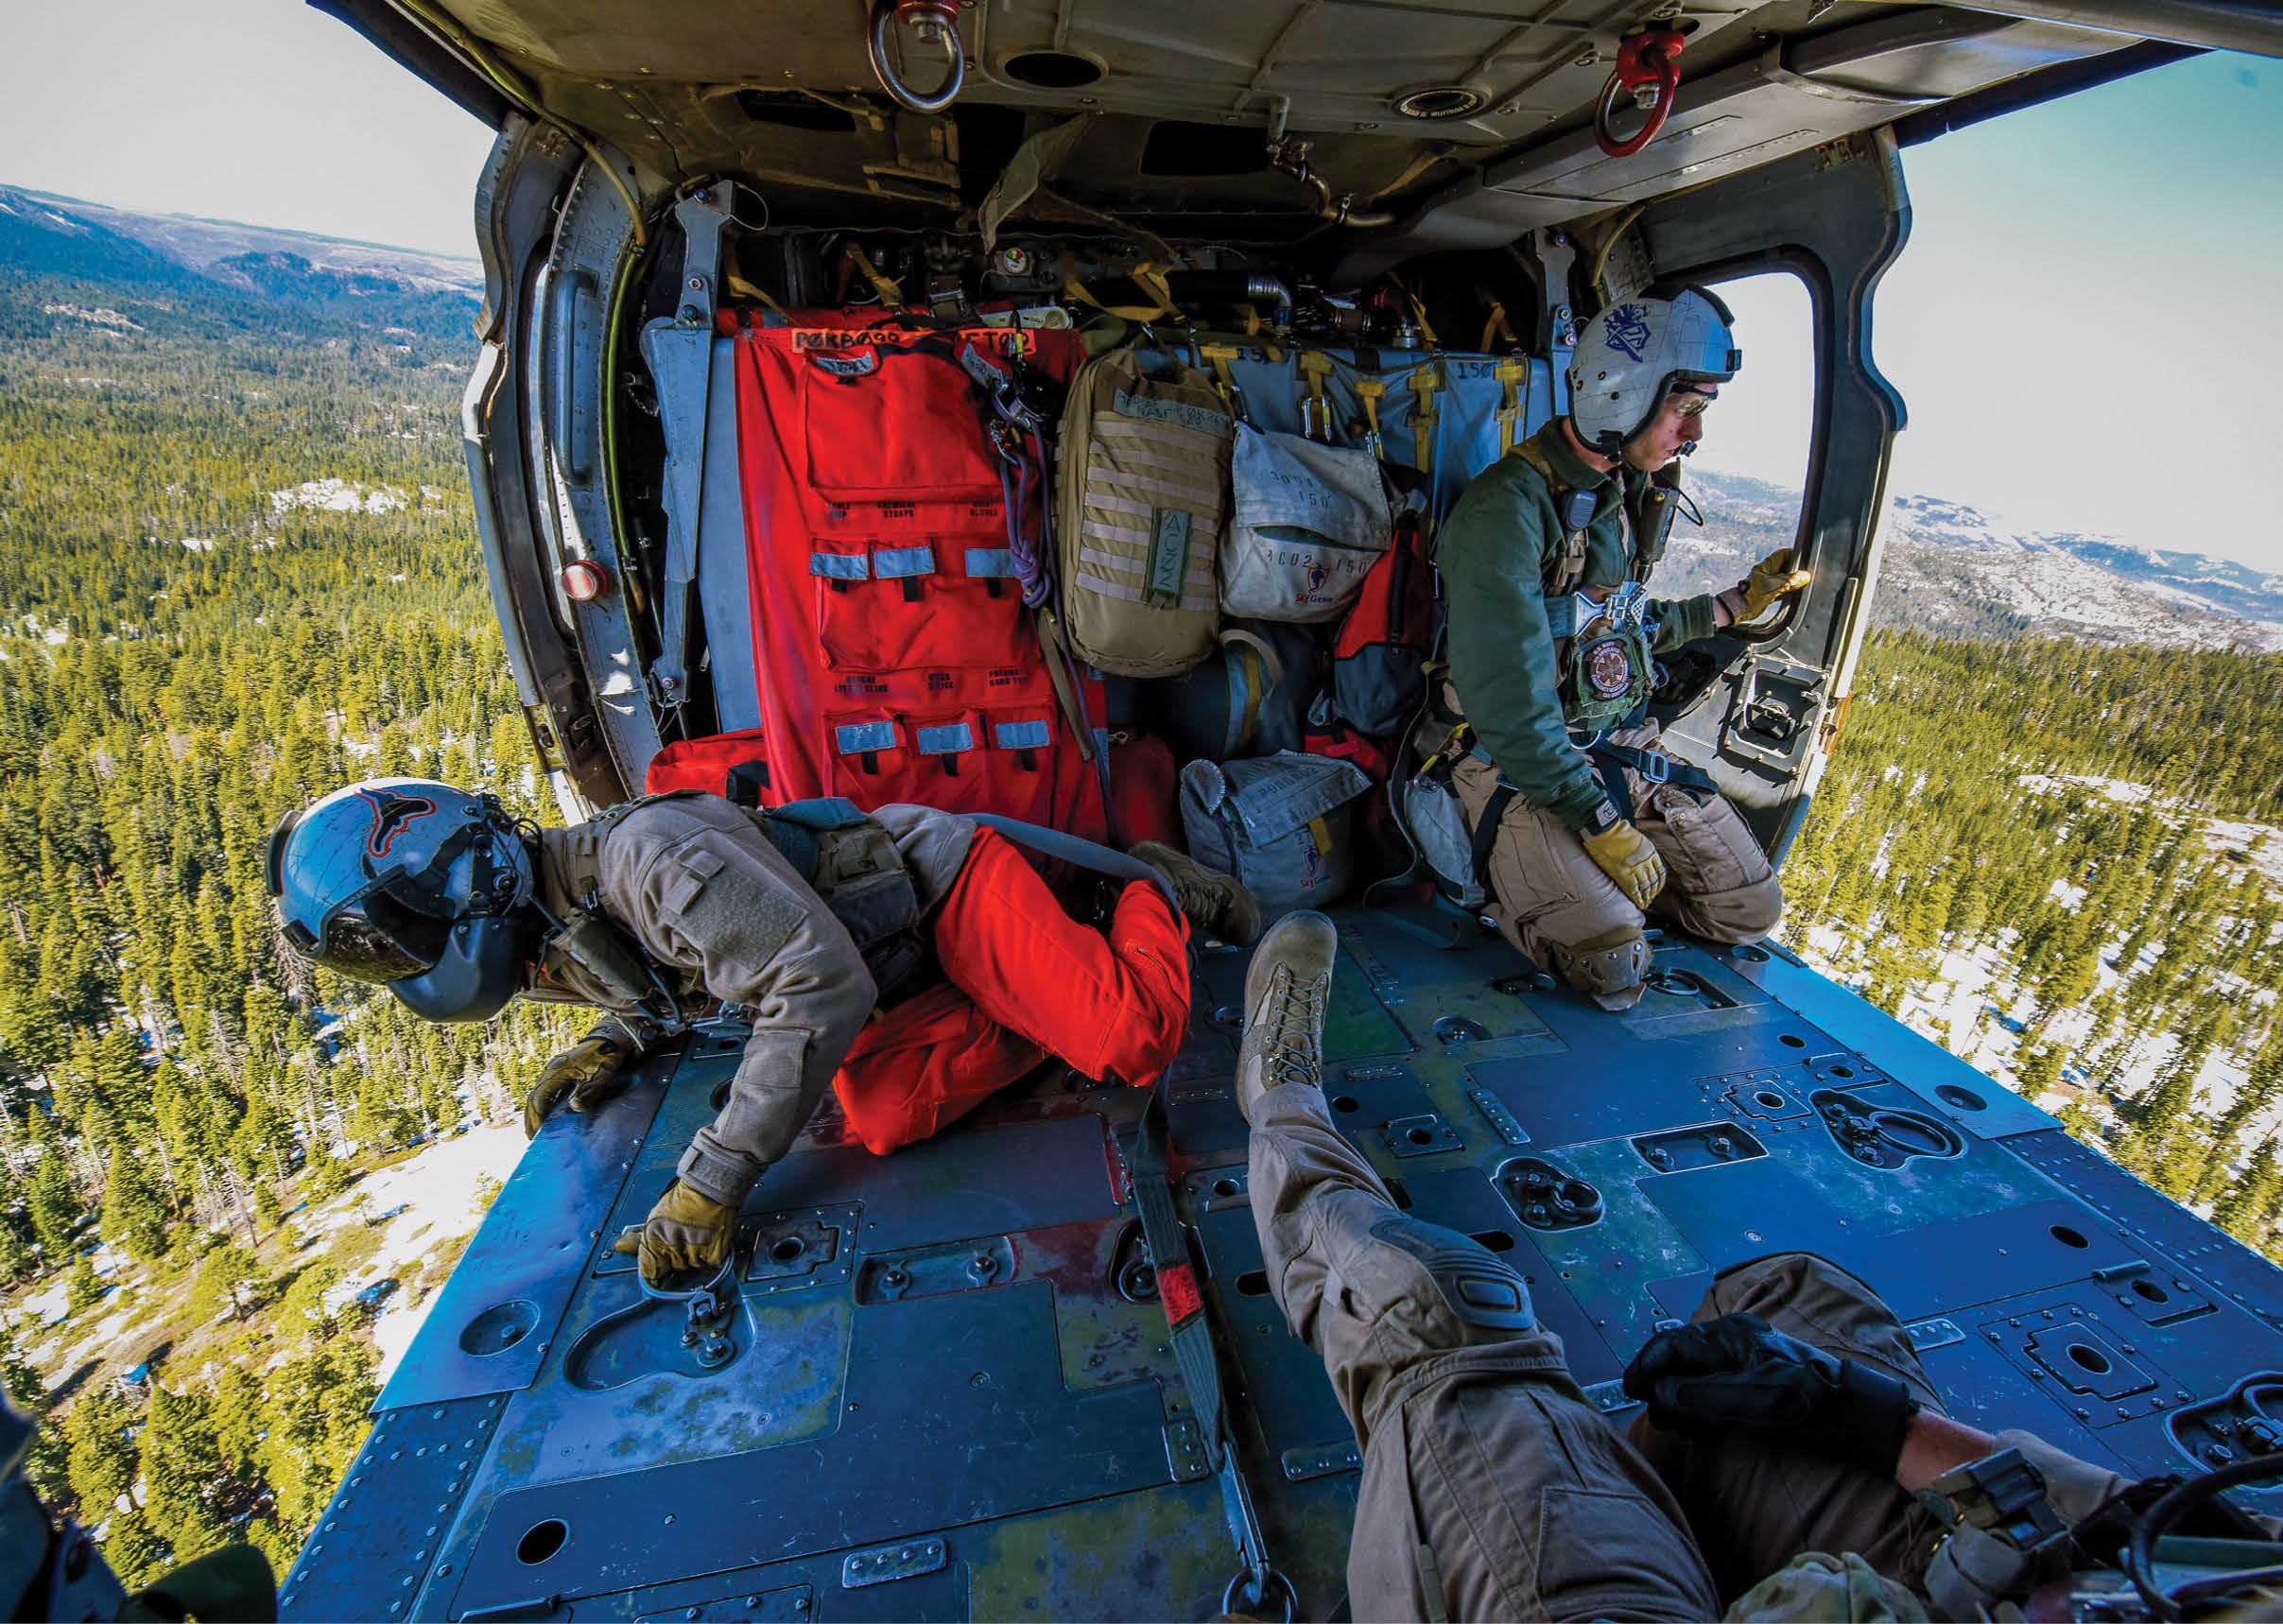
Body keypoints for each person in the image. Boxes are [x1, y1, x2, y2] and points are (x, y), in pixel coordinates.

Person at [1234, 910, 2190, 1621]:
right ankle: (1620, 1492)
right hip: (1974, 1589)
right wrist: (1848, 1407)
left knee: (1435, 1307)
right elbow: (2116, 1524)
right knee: (1792, 1298)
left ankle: (1282, 1106)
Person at [267, 779, 1258, 1285]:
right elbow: (679, 971)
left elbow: (813, 987)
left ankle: (1149, 888)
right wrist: (619, 1037)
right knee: (883, 1115)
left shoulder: (647, 859)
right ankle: (1053, 972)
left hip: (940, 893)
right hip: (889, 970)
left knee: (1134, 1034)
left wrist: (713, 1180)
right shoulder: (544, 920)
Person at [1432, 285, 1808, 1010]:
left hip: (1619, 744)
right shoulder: (1505, 512)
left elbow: (1617, 630)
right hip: (1518, 759)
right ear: (1621, 394)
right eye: (1686, 408)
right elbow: (1508, 704)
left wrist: (1732, 605)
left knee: (1748, 914)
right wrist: (1596, 821)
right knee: (1610, 969)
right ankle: (1538, 894)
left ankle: (1592, 891)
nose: (1693, 435)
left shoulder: (1620, 496)